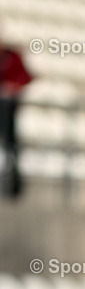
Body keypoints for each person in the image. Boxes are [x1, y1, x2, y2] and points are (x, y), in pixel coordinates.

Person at [0, 32, 33, 198]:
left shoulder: (12, 56)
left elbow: (26, 78)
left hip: (8, 113)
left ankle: (11, 183)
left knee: (10, 144)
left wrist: (12, 88)